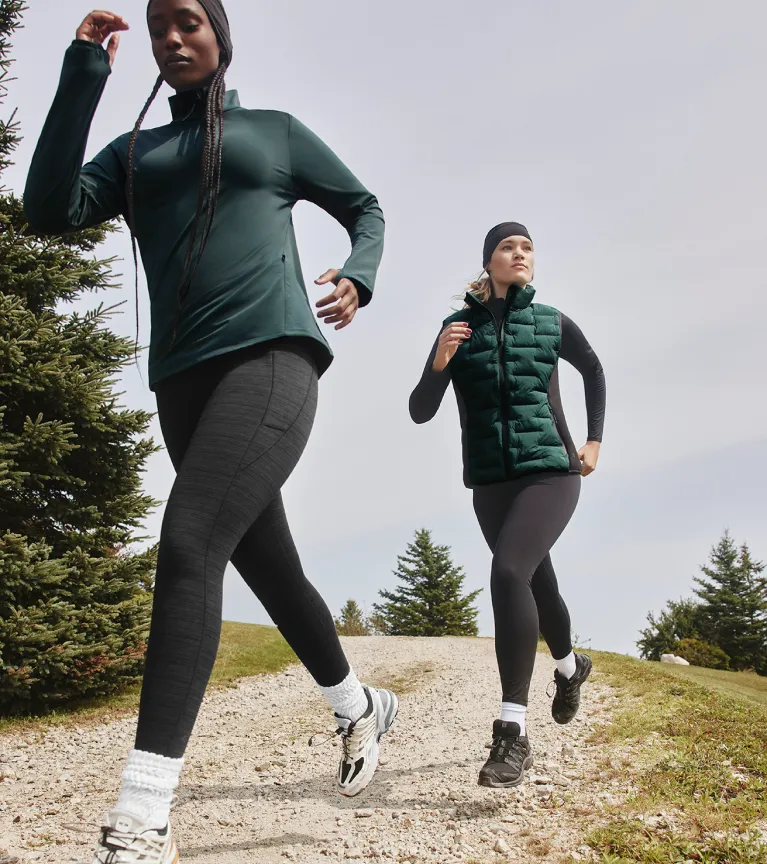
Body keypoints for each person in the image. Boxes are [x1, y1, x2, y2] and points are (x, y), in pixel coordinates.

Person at [24, 2, 396, 860]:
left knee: (190, 541)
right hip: (182, 385)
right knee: (271, 568)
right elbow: (47, 208)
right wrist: (83, 74)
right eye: (159, 25)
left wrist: (360, 273)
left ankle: (143, 813)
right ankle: (359, 707)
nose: (172, 37)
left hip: (272, 360)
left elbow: (364, 207)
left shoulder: (275, 133)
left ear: (220, 35)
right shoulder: (135, 154)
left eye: (188, 20)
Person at [409, 222, 605, 788]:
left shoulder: (549, 321)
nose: (519, 254)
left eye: (527, 248)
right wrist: (440, 362)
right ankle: (569, 668)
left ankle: (512, 731)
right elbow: (421, 409)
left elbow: (593, 370)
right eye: (507, 247)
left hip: (551, 472)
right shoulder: (457, 328)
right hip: (491, 484)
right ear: (489, 262)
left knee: (508, 572)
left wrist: (593, 440)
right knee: (537, 583)